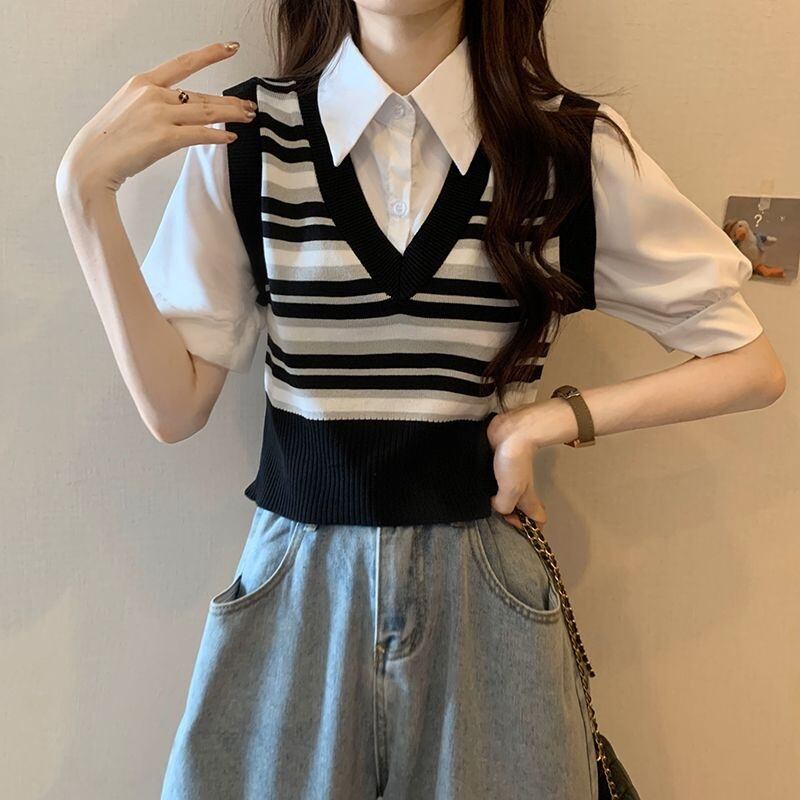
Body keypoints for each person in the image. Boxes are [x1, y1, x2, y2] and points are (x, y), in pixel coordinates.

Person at [55, 1, 785, 798]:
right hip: (296, 593)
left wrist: (549, 420)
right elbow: (174, 408)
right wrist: (85, 197)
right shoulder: (249, 139)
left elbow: (749, 363)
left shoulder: (565, 149)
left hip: (486, 594)